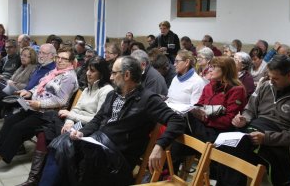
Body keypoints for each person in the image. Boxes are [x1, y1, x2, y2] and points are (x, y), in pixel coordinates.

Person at [38, 56, 186, 185]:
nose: (110, 77)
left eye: (114, 73)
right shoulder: (114, 94)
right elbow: (98, 120)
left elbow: (177, 120)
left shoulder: (148, 99)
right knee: (60, 144)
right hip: (99, 144)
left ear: (126, 75)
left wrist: (160, 145)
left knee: (72, 154)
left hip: (118, 156)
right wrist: (82, 132)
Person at [0, 47, 78, 175]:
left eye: (64, 59)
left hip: (49, 114)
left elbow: (61, 101)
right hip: (34, 107)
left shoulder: (68, 77)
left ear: (71, 62)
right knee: (10, 120)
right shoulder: (54, 72)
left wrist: (39, 103)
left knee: (18, 128)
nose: (60, 61)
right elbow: (39, 87)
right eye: (59, 57)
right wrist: (29, 92)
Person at [218, 55, 290, 186]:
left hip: (278, 141)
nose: (271, 81)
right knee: (227, 145)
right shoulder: (265, 86)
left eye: (276, 78)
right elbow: (250, 110)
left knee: (240, 153)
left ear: (289, 75)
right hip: (255, 130)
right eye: (269, 77)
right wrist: (244, 119)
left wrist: (267, 138)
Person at [18, 56, 113, 186]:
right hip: (75, 122)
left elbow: (97, 119)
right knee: (44, 132)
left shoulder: (106, 91)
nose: (88, 73)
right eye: (87, 70)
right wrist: (69, 121)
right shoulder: (87, 88)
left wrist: (71, 117)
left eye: (92, 71)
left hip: (88, 127)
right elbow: (76, 109)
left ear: (101, 74)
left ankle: (41, 181)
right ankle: (34, 179)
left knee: (55, 138)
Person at [0, 44, 57, 147]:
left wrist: (22, 89)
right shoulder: (38, 67)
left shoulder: (51, 70)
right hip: (19, 93)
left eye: (44, 53)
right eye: (40, 52)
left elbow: (38, 89)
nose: (40, 55)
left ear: (52, 55)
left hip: (27, 100)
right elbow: (27, 83)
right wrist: (12, 84)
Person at [189, 56, 247, 142]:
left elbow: (229, 120)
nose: (209, 70)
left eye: (214, 67)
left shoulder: (236, 90)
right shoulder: (208, 86)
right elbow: (199, 106)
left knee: (183, 125)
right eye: (210, 67)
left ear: (225, 70)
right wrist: (196, 112)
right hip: (203, 127)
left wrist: (205, 119)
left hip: (219, 132)